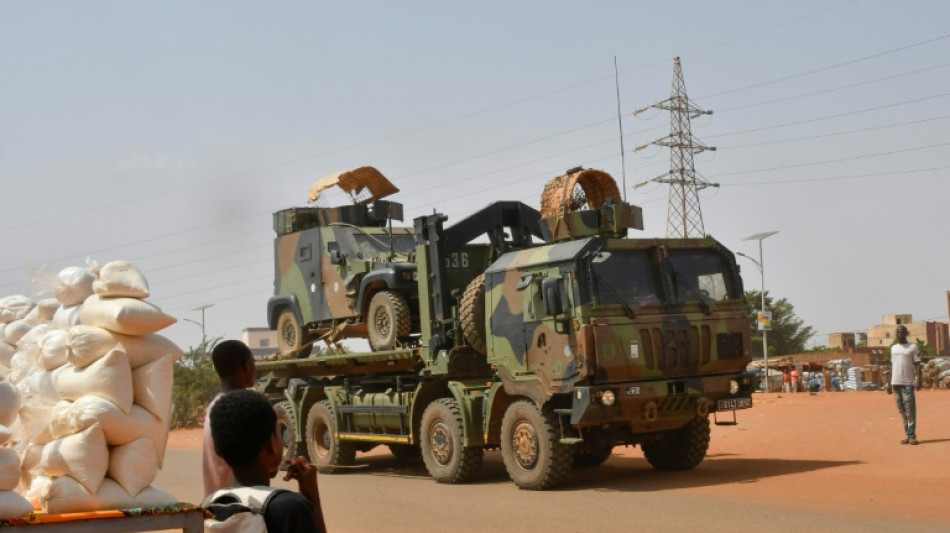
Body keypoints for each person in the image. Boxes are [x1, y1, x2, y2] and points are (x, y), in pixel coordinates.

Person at [208, 389, 327, 533]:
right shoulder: (290, 508)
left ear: (217, 449)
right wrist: (311, 494)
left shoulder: (209, 505)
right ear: (271, 444)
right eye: (278, 433)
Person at [203, 340, 256, 495]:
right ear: (247, 365)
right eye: (253, 363)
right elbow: (261, 467)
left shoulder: (214, 406)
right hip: (238, 510)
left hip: (217, 506)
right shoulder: (240, 408)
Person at [889, 325, 922, 445]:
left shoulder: (913, 347)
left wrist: (919, 379)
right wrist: (889, 383)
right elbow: (892, 366)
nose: (900, 334)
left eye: (902, 332)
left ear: (906, 333)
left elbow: (918, 364)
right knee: (902, 410)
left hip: (908, 383)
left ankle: (912, 436)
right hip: (895, 383)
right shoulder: (893, 348)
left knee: (910, 410)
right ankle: (907, 435)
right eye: (898, 332)